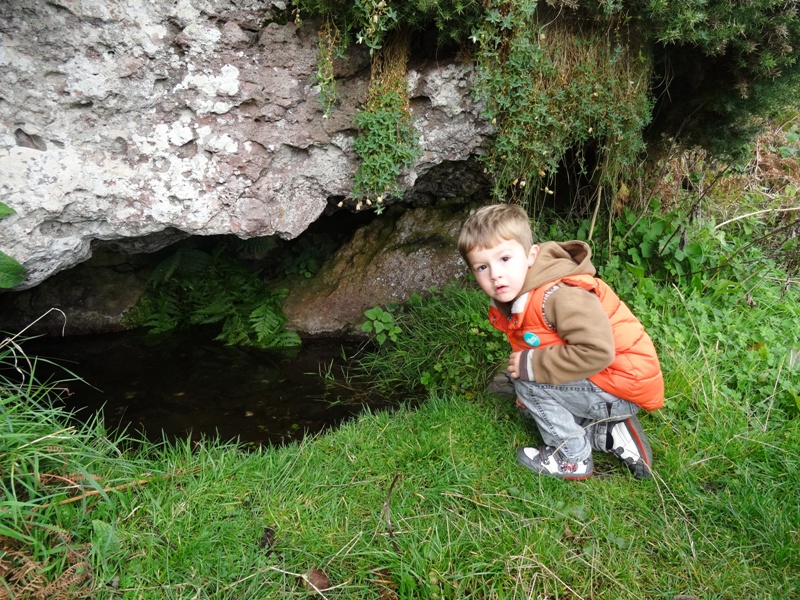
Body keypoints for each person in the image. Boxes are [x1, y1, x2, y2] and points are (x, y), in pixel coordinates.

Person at [458, 204, 664, 480]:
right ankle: (610, 432)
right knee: (526, 388)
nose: (495, 274)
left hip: (620, 385)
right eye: (482, 267)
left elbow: (598, 351)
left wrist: (533, 370)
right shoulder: (524, 292)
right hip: (611, 381)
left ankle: (573, 457)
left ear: (531, 255)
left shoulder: (558, 295)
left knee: (527, 379)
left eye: (505, 259)